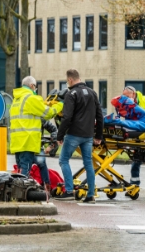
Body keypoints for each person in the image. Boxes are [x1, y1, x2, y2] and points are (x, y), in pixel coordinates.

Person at [56, 69, 104, 203]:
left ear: (70, 80)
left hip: (73, 134)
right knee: (88, 163)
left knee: (63, 160)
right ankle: (90, 195)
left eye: (67, 81)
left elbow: (67, 117)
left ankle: (69, 190)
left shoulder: (71, 94)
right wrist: (98, 135)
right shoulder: (92, 93)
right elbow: (100, 116)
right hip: (88, 135)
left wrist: (60, 135)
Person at [10, 76, 63, 179]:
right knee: (24, 173)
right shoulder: (30, 98)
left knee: (20, 170)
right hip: (27, 141)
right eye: (35, 87)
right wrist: (60, 105)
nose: (35, 89)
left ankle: (17, 193)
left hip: (17, 142)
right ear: (32, 85)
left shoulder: (16, 100)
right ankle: (23, 194)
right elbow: (48, 113)